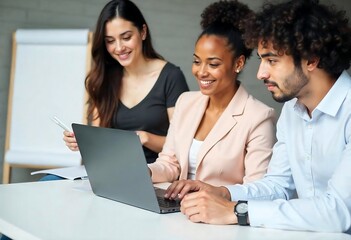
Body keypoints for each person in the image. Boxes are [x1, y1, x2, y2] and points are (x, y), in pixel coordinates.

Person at [178, 0, 351, 233]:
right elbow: (278, 186)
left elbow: (338, 212)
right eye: (261, 60)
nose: (261, 73)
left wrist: (235, 211)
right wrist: (224, 193)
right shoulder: (292, 109)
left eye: (272, 60)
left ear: (311, 59)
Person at [38, 0, 189, 183]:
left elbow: (182, 146)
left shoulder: (171, 77)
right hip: (110, 171)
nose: (118, 48)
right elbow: (99, 140)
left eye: (126, 37)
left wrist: (145, 138)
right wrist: (84, 141)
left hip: (152, 173)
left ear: (143, 32)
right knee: (48, 181)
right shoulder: (105, 78)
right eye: (110, 41)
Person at [148, 0, 276, 199]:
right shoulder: (186, 102)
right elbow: (170, 163)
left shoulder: (258, 117)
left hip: (219, 217)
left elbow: (258, 188)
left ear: (238, 63)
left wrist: (216, 194)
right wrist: (145, 172)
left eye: (213, 64)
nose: (201, 72)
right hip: (178, 209)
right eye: (197, 61)